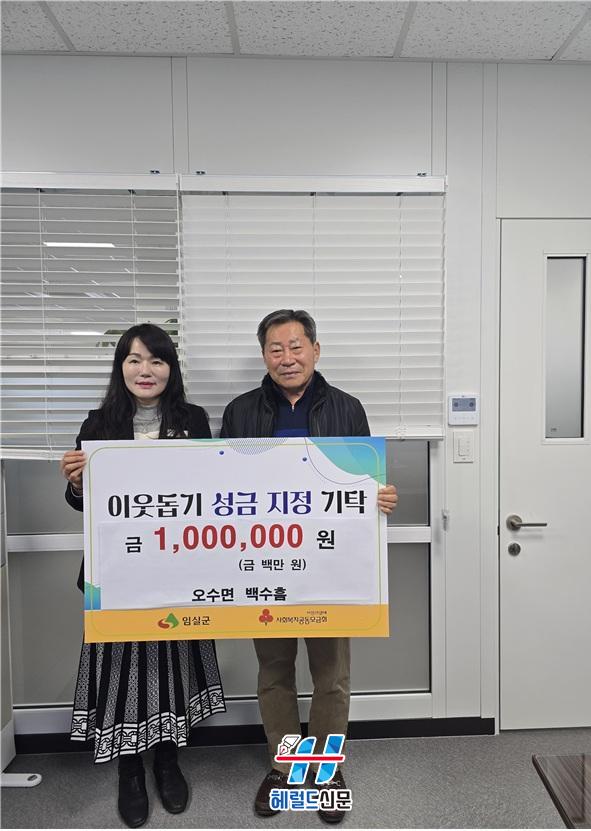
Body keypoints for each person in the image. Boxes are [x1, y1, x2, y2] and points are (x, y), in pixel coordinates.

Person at [220, 309, 397, 824]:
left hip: (328, 566)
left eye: (296, 346)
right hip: (266, 565)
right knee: (274, 671)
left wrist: (379, 496)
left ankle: (324, 769)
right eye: (275, 349)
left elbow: (361, 481)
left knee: (332, 676)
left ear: (315, 350)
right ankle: (285, 766)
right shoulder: (240, 411)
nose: (287, 357)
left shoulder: (347, 408)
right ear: (264, 356)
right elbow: (221, 486)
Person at [60, 323, 226, 828]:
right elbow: (82, 505)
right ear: (121, 368)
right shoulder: (98, 423)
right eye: (134, 360)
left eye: (156, 360)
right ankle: (129, 770)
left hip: (176, 569)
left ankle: (168, 762)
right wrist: (76, 484)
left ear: (170, 369)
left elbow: (211, 493)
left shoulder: (192, 420)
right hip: (117, 573)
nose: (145, 370)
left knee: (171, 666)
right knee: (123, 672)